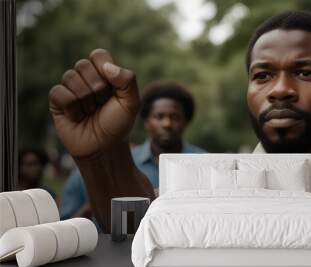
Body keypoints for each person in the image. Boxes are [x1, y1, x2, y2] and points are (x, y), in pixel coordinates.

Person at [48, 11, 311, 234]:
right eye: (262, 75)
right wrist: (100, 158)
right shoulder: (207, 189)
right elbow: (139, 232)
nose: (280, 91)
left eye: (304, 72)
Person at [59, 80, 205, 220]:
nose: (167, 123)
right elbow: (65, 225)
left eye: (175, 117)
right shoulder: (116, 165)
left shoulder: (205, 165)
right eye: (159, 117)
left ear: (186, 122)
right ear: (147, 122)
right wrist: (99, 202)